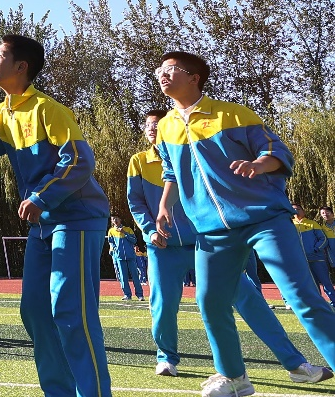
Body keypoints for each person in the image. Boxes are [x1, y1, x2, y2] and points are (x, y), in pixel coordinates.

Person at [0, 35, 111, 397]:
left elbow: (80, 160)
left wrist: (42, 196)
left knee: (71, 312)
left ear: (21, 67)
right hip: (44, 223)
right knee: (36, 311)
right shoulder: (3, 114)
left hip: (76, 217)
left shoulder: (48, 109)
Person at [154, 50, 335, 397]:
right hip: (211, 231)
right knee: (211, 302)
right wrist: (165, 206)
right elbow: (171, 173)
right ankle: (234, 378)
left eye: (171, 69)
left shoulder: (233, 114)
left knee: (302, 297)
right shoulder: (166, 127)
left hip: (264, 219)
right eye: (159, 71)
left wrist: (259, 165)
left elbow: (278, 152)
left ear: (194, 77)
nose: (163, 75)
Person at [128, 107, 330, 381]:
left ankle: (295, 364)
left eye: (159, 123)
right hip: (164, 248)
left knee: (250, 300)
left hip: (207, 241)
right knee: (164, 306)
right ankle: (168, 358)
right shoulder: (139, 162)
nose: (154, 128)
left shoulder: (195, 150)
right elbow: (136, 203)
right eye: (150, 124)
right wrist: (151, 229)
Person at [294, 203, 335, 308]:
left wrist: (316, 249)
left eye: (299, 209)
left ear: (303, 211)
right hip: (302, 260)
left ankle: (334, 301)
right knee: (312, 284)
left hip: (317, 258)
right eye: (294, 209)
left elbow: (323, 239)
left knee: (326, 282)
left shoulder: (313, 224)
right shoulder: (291, 225)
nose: (296, 211)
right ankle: (318, 304)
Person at [107, 214, 145, 301]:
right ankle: (127, 294)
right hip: (119, 257)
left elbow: (134, 240)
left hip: (130, 256)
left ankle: (140, 295)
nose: (115, 220)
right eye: (113, 219)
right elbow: (111, 243)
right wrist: (114, 251)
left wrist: (125, 233)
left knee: (135, 276)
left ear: (120, 220)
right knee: (123, 277)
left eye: (117, 218)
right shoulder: (111, 231)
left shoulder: (128, 229)